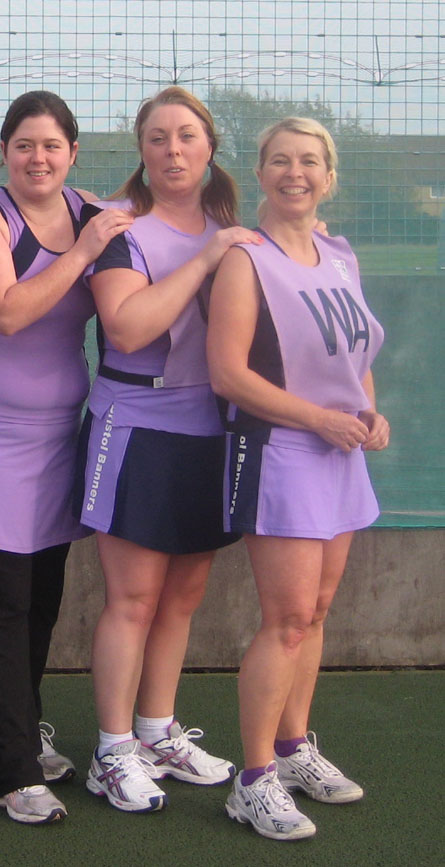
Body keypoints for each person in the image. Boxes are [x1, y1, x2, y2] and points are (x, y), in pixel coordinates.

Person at [0, 91, 132, 824]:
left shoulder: (90, 208)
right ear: (4, 153)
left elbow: (163, 224)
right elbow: (9, 311)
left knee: (41, 599)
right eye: (22, 145)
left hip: (59, 433)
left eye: (50, 145)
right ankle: (9, 769)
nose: (37, 158)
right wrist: (82, 251)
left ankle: (21, 730)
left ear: (72, 152)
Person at [79, 86, 261, 812]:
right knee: (132, 597)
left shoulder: (231, 226)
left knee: (182, 597)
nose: (173, 150)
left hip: (208, 429)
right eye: (157, 138)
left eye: (185, 136)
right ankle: (110, 748)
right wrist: (206, 255)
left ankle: (155, 732)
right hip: (135, 426)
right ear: (141, 151)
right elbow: (125, 328)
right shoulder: (122, 231)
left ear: (209, 146)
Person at [209, 117, 387, 841]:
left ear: (329, 175)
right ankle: (250, 780)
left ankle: (291, 748)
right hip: (282, 452)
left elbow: (355, 358)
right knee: (283, 619)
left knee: (314, 612)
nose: (295, 172)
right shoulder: (244, 260)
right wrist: (317, 418)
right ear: (259, 174)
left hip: (338, 454)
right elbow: (228, 373)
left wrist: (367, 414)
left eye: (309, 161)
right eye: (280, 160)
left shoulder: (338, 254)